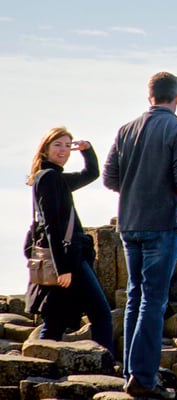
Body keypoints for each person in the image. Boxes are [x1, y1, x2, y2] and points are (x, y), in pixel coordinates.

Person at [103, 71, 177, 400]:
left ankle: (132, 370)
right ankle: (143, 377)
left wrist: (135, 191)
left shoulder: (125, 130)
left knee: (134, 298)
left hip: (129, 223)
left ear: (149, 96)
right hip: (160, 224)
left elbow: (109, 178)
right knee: (152, 302)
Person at [24, 128, 114, 355]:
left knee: (54, 322)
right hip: (68, 261)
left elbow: (91, 174)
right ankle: (105, 368)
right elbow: (53, 226)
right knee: (101, 314)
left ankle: (39, 365)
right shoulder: (51, 178)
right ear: (45, 149)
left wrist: (87, 150)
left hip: (65, 259)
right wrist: (63, 268)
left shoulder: (53, 178)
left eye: (67, 145)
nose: (64, 149)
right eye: (57, 145)